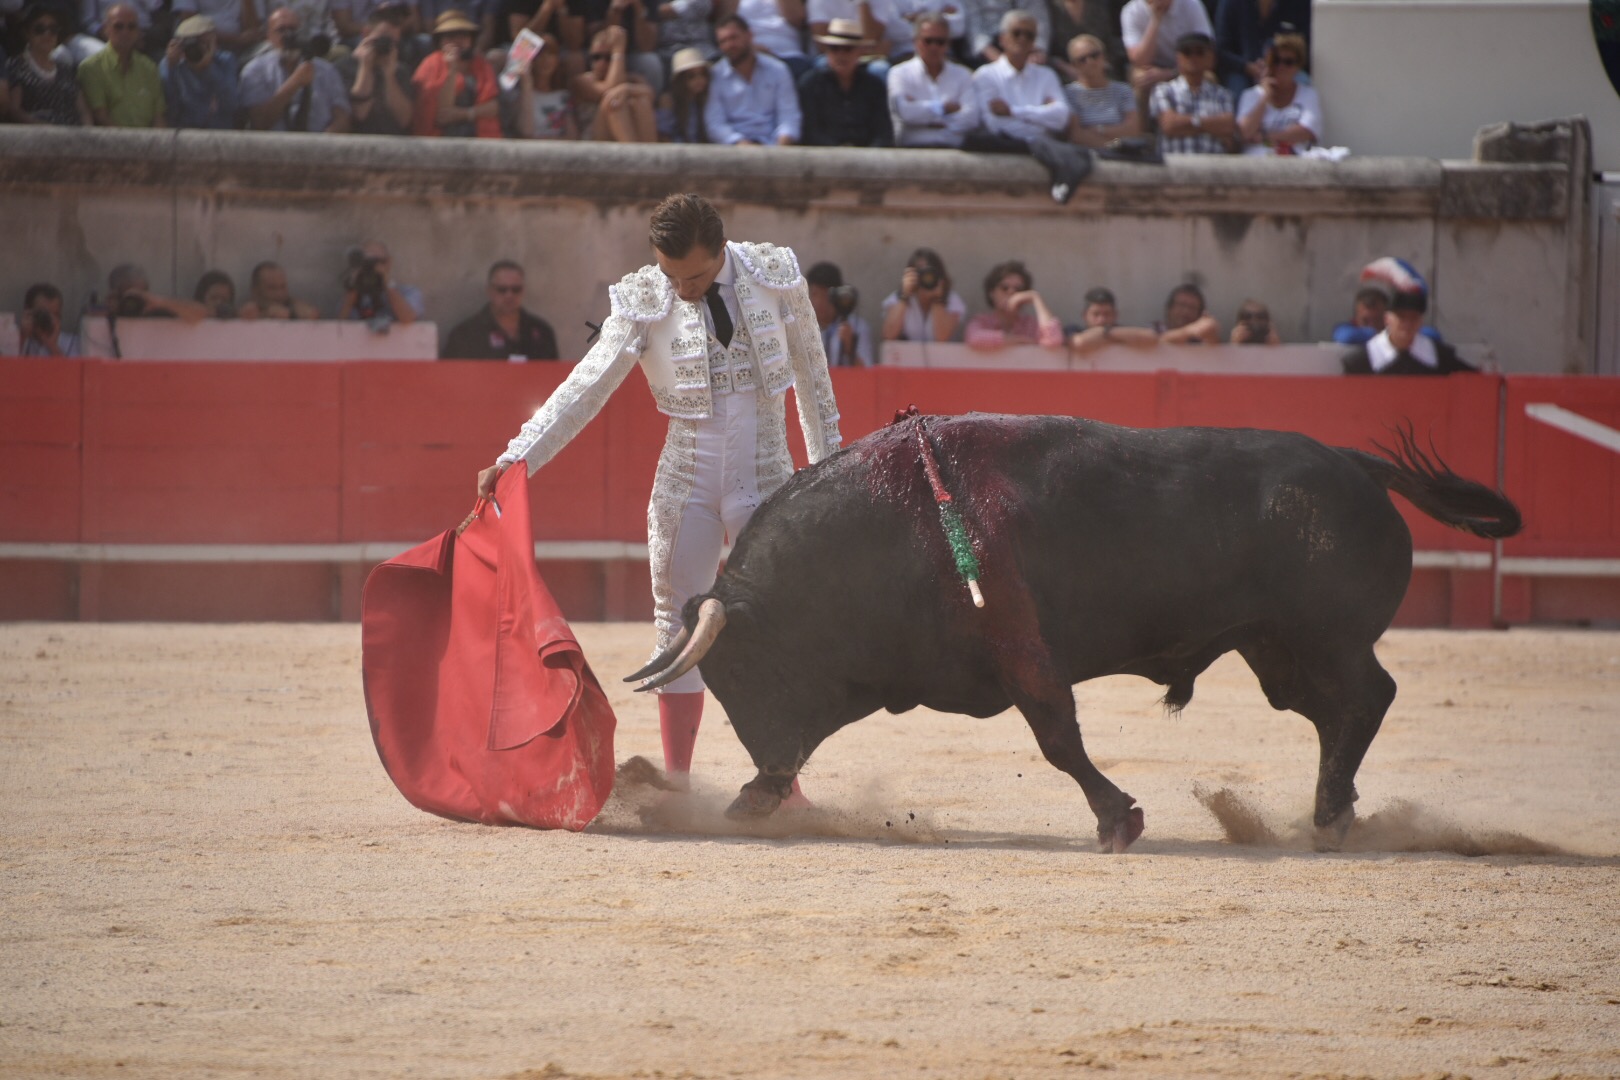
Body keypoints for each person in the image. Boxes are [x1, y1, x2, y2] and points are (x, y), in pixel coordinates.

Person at [474, 193, 843, 795]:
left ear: (721, 252)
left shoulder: (774, 276)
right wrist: (518, 456)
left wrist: (829, 479)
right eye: (672, 275)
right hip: (686, 481)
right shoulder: (646, 296)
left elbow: (814, 383)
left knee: (779, 627)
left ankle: (784, 783)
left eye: (695, 275)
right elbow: (585, 387)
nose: (683, 289)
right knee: (676, 625)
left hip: (769, 476)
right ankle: (679, 785)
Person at [1341, 258, 1473, 375]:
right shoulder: (1360, 362)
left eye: (1413, 318)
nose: (1408, 323)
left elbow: (1477, 384)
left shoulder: (1440, 358)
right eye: (1401, 317)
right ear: (1387, 319)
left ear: (1420, 321)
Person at [241, 6, 353, 131]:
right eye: (281, 30)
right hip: (273, 146)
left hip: (319, 144)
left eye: (292, 29)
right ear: (269, 36)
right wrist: (295, 83)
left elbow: (342, 119)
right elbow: (259, 123)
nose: (288, 35)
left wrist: (320, 145)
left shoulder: (326, 70)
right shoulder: (255, 70)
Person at [704, 14, 800, 144]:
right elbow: (715, 124)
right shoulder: (715, 75)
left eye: (733, 38)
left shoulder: (778, 70)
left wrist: (782, 146)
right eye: (723, 41)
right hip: (734, 151)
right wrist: (741, 144)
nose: (729, 45)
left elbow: (789, 116)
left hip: (774, 147)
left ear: (749, 35)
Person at [886, 13, 976, 148]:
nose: (934, 47)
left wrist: (923, 116)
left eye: (940, 42)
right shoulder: (899, 73)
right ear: (915, 41)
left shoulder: (963, 75)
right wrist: (944, 108)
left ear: (948, 44)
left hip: (953, 154)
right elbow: (905, 112)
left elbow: (971, 118)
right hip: (912, 152)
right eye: (928, 41)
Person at [797, 17, 891, 146]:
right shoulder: (811, 84)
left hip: (867, 159)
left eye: (848, 49)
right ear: (827, 51)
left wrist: (870, 157)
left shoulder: (874, 86)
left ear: (859, 52)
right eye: (835, 48)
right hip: (823, 159)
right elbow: (810, 132)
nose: (841, 55)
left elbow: (883, 132)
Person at [442, 260, 560, 359]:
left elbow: (555, 379)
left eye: (516, 289)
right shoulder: (466, 335)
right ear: (490, 290)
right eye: (502, 289)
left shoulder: (542, 332)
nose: (509, 295)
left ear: (523, 291)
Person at [411, 8, 501, 135]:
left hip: (480, 137)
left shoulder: (483, 65)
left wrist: (464, 114)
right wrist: (452, 70)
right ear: (440, 41)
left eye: (464, 35)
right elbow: (441, 114)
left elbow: (493, 107)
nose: (458, 41)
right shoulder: (429, 65)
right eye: (451, 36)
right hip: (441, 139)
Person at [78, 3, 166, 126]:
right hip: (110, 142)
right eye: (118, 26)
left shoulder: (149, 67)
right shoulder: (91, 68)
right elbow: (101, 117)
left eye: (131, 27)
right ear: (105, 29)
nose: (125, 32)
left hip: (150, 142)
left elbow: (158, 117)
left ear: (138, 32)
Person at [337, 0, 416, 135]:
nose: (386, 45)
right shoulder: (344, 67)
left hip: (395, 143)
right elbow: (360, 114)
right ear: (366, 33)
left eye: (392, 42)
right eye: (383, 38)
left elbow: (404, 120)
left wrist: (389, 76)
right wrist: (365, 67)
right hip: (357, 144)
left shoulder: (400, 70)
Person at [1149, 31, 1232, 155]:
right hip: (1173, 168)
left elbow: (1227, 126)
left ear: (1210, 58)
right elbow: (1169, 125)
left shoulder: (1222, 94)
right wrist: (1209, 126)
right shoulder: (1164, 90)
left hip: (1212, 168)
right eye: (1187, 52)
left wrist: (1186, 124)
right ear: (1178, 58)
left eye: (1199, 52)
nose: (1193, 57)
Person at [1235, 30, 1317, 156]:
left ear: (1298, 66)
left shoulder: (1308, 94)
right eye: (1276, 61)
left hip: (1295, 164)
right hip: (1255, 165)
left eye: (1288, 62)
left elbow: (1306, 131)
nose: (1281, 66)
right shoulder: (1250, 95)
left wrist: (1264, 136)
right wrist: (1264, 99)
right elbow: (1244, 133)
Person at [6, 5, 91, 125]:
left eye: (53, 29)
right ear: (27, 33)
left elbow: (83, 111)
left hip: (74, 136)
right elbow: (14, 111)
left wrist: (87, 134)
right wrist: (47, 130)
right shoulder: (17, 66)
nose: (47, 34)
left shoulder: (65, 69)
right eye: (39, 29)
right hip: (36, 137)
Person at [572, 25, 657, 140]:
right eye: (597, 57)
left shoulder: (632, 79)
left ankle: (647, 153)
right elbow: (610, 90)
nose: (602, 63)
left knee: (640, 101)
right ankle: (634, 154)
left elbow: (650, 95)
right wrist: (618, 50)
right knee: (614, 102)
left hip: (625, 133)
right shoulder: (582, 81)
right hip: (593, 137)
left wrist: (626, 89)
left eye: (608, 57)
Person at [1120, 0, 1209, 108]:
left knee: (1208, 77)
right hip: (1152, 68)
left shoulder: (1191, 4)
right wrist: (1156, 20)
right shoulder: (1131, 11)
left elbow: (1207, 53)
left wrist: (1170, 74)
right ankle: (1143, 124)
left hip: (1188, 65)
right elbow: (1139, 60)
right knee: (1141, 78)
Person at [1213, 0, 1308, 98]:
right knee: (1236, 89)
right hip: (1241, 70)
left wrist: (1273, 65)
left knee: (1304, 82)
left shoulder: (1297, 3)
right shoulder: (1230, 3)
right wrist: (1247, 67)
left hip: (1284, 65)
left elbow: (1303, 44)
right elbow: (1221, 50)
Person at [160, 14, 240, 129]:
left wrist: (209, 68)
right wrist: (170, 69)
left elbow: (231, 104)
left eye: (201, 41)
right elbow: (170, 110)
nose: (196, 47)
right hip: (184, 132)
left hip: (219, 132)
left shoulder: (225, 61)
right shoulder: (171, 64)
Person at [964, 259, 1063, 348]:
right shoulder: (982, 321)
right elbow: (973, 338)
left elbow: (1054, 339)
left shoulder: (1030, 325)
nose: (1011, 292)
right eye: (1004, 288)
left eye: (1018, 289)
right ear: (992, 293)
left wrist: (1035, 298)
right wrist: (1018, 340)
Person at [1062, 32, 1137, 148]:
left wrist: (1099, 129)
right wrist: (1110, 145)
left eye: (1094, 55)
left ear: (1104, 57)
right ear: (1074, 66)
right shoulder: (1069, 93)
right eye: (1082, 59)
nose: (1090, 62)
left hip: (1123, 156)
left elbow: (1133, 129)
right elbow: (1076, 134)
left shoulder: (1123, 90)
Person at [880, 247, 965, 342]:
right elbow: (888, 335)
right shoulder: (898, 297)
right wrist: (905, 296)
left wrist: (937, 300)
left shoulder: (952, 299)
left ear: (939, 274)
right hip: (908, 356)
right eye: (920, 271)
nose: (926, 276)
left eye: (930, 271)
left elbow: (942, 338)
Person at [339, 240, 424, 326]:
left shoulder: (408, 292)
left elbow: (407, 319)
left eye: (379, 261)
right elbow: (340, 323)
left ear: (389, 262)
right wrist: (355, 283)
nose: (373, 266)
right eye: (367, 262)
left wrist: (387, 282)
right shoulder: (354, 294)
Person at [508, 28, 575, 137]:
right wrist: (526, 83)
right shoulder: (519, 95)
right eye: (539, 55)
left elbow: (572, 137)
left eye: (551, 54)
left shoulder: (564, 97)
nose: (545, 59)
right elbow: (526, 131)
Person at [805, 259, 873, 366]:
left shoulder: (857, 327)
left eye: (825, 295)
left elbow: (867, 374)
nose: (819, 302)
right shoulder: (801, 329)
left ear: (837, 295)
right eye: (814, 294)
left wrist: (850, 349)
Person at [100, 263, 210, 322]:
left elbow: (201, 313)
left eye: (140, 293)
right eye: (129, 295)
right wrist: (107, 312)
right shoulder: (105, 315)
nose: (134, 300)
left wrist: (159, 302)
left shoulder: (153, 311)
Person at [1066, 284, 1158, 353]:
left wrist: (1108, 332)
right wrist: (1105, 332)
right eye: (1096, 314)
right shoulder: (1074, 330)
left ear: (1115, 315)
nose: (1101, 320)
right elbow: (1079, 343)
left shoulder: (1122, 332)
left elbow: (1152, 338)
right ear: (1084, 316)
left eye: (1107, 314)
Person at [732, 0, 810, 81]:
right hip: (747, 54)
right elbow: (724, 27)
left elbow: (797, 18)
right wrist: (749, 48)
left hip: (789, 55)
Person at [13, 283, 83, 357]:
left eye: (55, 315)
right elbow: (6, 366)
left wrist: (53, 346)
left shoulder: (72, 344)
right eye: (44, 314)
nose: (49, 320)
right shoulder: (11, 341)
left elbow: (72, 368)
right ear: (28, 312)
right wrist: (22, 338)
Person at [171, 0, 267, 54]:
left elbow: (253, 31)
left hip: (244, 52)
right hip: (202, 49)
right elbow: (189, 27)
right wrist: (237, 40)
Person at [655, 45, 707, 142]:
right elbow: (664, 137)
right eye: (692, 76)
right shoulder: (668, 101)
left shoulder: (704, 99)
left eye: (702, 74)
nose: (699, 80)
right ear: (680, 80)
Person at [238, 261, 322, 319]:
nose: (279, 294)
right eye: (272, 288)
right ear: (256, 291)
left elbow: (310, 313)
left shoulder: (294, 305)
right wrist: (264, 316)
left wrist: (303, 315)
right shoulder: (246, 310)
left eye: (283, 287)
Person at [1154, 281, 1220, 343]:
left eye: (1192, 308)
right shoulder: (1155, 329)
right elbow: (1155, 343)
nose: (1186, 312)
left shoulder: (1198, 340)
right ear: (1170, 308)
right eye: (1182, 305)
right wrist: (1189, 331)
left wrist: (1211, 336)